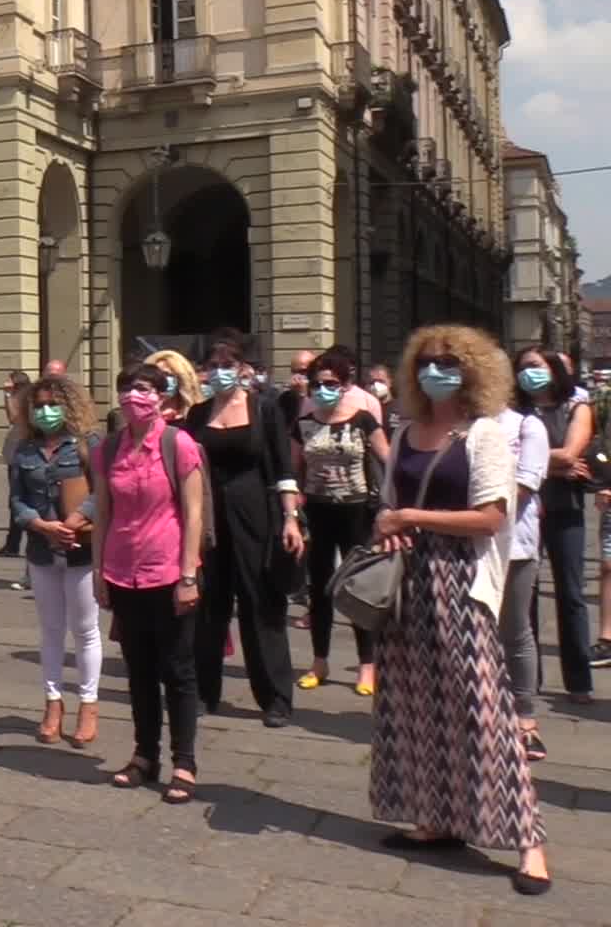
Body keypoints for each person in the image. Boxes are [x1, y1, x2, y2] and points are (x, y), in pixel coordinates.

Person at [370, 324, 550, 896]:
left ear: (472, 370)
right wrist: (388, 524)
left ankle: (530, 842)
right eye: (425, 362)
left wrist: (410, 521)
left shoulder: (484, 435)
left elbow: (492, 517)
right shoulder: (403, 432)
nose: (435, 370)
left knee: (483, 710)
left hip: (460, 580)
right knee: (414, 705)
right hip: (407, 584)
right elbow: (389, 505)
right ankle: (437, 819)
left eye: (447, 362)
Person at [93, 363, 204, 804]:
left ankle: (185, 761)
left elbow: (194, 513)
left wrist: (189, 574)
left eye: (141, 389)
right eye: (125, 389)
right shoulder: (107, 449)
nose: (132, 397)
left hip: (169, 569)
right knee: (138, 670)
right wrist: (100, 571)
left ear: (162, 396)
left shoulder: (179, 444)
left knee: (178, 670)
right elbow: (103, 512)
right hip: (123, 572)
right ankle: (145, 755)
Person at [184, 340, 305, 727]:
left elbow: (284, 468)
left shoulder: (264, 409)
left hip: (257, 516)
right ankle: (205, 692)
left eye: (228, 363)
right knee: (208, 606)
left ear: (241, 368)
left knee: (261, 605)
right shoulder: (199, 413)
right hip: (208, 519)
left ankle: (275, 697)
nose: (220, 369)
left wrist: (290, 519)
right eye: (213, 363)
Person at [7, 375, 102, 745]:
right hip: (42, 549)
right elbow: (16, 499)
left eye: (52, 404)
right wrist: (40, 524)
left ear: (69, 405)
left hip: (82, 548)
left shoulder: (87, 443)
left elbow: (102, 490)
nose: (45, 411)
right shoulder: (24, 448)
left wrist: (77, 519)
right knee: (50, 629)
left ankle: (89, 706)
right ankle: (52, 703)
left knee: (85, 629)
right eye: (39, 405)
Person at [290, 350, 389, 696]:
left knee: (357, 587)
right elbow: (293, 469)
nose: (321, 390)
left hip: (357, 509)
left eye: (330, 383)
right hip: (317, 511)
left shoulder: (363, 419)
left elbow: (386, 460)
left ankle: (367, 663)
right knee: (319, 588)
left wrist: (389, 509)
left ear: (346, 385)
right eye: (316, 384)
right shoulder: (303, 423)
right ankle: (319, 660)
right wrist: (292, 508)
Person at [512, 346, 595, 703]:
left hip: (564, 507)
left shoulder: (576, 406)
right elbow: (501, 452)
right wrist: (556, 464)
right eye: (522, 368)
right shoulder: (514, 412)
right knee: (523, 595)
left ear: (552, 369)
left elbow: (572, 453)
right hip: (523, 510)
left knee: (571, 593)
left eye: (534, 366)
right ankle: (529, 679)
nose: (527, 373)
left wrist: (537, 459)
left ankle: (578, 681)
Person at [496, 398, 549, 760]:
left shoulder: (526, 427)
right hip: (465, 546)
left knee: (515, 630)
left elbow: (524, 487)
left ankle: (525, 718)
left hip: (515, 545)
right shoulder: (456, 424)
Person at [0, 370, 32, 560]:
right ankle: (12, 543)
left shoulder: (24, 397)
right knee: (15, 500)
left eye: (9, 379)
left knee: (18, 499)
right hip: (16, 453)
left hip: (22, 453)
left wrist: (8, 395)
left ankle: (14, 545)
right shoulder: (20, 396)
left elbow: (13, 418)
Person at [148, 350, 202, 423]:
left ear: (181, 379)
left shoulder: (198, 415)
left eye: (167, 374)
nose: (162, 378)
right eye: (157, 374)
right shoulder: (140, 415)